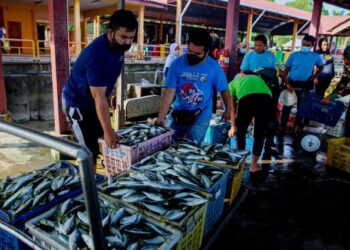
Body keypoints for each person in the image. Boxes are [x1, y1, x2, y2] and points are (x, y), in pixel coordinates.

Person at [62, 10, 137, 166]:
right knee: (87, 153)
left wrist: (106, 128)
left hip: (94, 102)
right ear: (110, 32)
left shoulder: (118, 49)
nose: (128, 42)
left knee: (101, 141)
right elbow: (99, 96)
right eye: (123, 37)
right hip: (78, 105)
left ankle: (102, 177)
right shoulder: (97, 55)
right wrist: (108, 130)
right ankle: (88, 186)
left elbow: (106, 87)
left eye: (131, 38)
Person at [155, 30, 231, 143]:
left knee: (192, 147)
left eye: (197, 54)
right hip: (178, 113)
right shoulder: (177, 64)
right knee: (167, 144)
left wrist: (228, 110)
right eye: (189, 51)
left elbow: (224, 90)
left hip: (201, 116)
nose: (192, 56)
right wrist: (162, 116)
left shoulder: (214, 67)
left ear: (207, 51)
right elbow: (170, 90)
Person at [279, 35, 324, 136]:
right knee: (287, 106)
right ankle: (282, 126)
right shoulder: (293, 55)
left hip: (306, 85)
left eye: (307, 45)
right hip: (292, 83)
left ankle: (297, 127)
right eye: (303, 44)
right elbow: (286, 69)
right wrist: (284, 83)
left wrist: (314, 76)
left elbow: (321, 67)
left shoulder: (315, 56)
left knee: (301, 108)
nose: (305, 46)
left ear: (312, 45)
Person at [228, 73, 273, 173]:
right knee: (260, 134)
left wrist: (233, 126)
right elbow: (257, 100)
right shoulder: (257, 78)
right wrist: (255, 128)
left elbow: (232, 108)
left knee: (241, 132)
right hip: (267, 98)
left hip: (247, 99)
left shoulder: (233, 83)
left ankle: (240, 164)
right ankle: (253, 166)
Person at [322, 46, 350, 137]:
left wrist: (335, 97)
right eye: (345, 59)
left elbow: (348, 89)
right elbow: (343, 82)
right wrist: (330, 96)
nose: (345, 62)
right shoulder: (346, 67)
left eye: (348, 60)